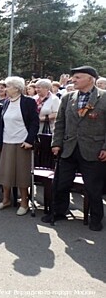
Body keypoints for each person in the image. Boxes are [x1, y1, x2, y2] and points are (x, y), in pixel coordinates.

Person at [42, 66, 106, 231]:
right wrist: (56, 143)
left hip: (93, 149)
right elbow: (60, 122)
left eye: (78, 77)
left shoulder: (104, 97)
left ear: (90, 79)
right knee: (60, 183)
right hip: (69, 147)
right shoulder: (68, 97)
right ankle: (58, 211)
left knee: (93, 187)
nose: (73, 80)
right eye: (73, 77)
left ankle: (96, 218)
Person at [0, 76, 39, 216]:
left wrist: (29, 140)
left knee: (22, 174)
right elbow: (1, 124)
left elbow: (34, 122)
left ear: (16, 88)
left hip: (22, 142)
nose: (5, 89)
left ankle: (24, 203)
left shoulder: (28, 102)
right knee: (5, 172)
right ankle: (6, 199)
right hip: (7, 141)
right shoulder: (6, 103)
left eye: (7, 86)